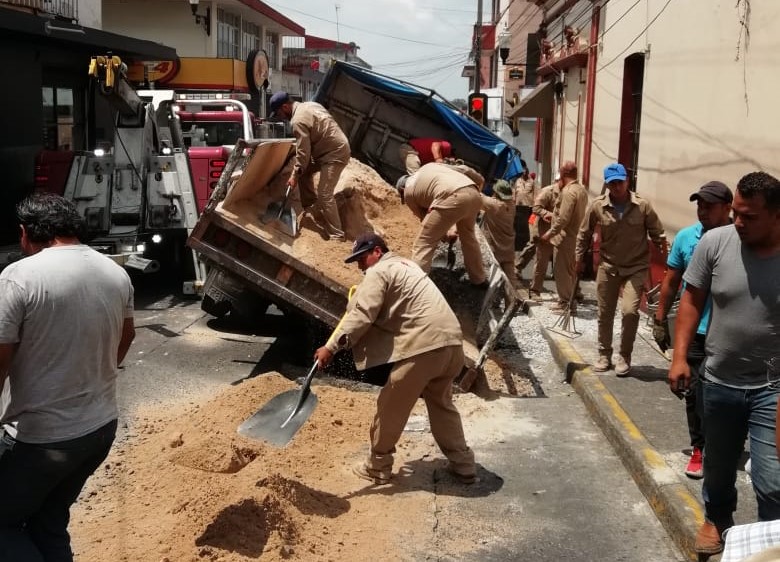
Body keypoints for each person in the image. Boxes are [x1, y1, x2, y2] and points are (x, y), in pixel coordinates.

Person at [0, 193, 135, 561]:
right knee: (49, 519)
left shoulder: (20, 276)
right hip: (99, 431)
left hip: (41, 439)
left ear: (25, 233)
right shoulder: (115, 272)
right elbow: (127, 336)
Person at [668, 171, 780, 555]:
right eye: (736, 212)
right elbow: (691, 300)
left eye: (749, 216)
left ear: (777, 216)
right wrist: (680, 357)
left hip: (774, 387)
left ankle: (773, 541)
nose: (738, 222)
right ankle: (717, 519)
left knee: (773, 477)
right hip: (718, 380)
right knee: (717, 464)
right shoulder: (715, 243)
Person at [313, 233, 477, 485]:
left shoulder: (379, 271)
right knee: (441, 404)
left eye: (362, 258)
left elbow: (362, 314)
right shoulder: (407, 265)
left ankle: (377, 466)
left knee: (390, 406)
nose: (359, 265)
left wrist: (331, 347)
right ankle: (464, 465)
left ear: (377, 252)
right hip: (452, 345)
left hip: (424, 347)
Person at [654, 181, 733, 480]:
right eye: (699, 205)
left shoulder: (740, 239)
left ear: (728, 208)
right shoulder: (687, 238)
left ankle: (723, 442)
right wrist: (660, 319)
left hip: (728, 333)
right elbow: (672, 280)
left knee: (727, 393)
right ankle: (700, 447)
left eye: (709, 206)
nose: (702, 211)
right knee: (695, 393)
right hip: (696, 330)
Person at [576, 163, 666, 375]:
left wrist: (667, 257)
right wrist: (578, 258)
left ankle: (625, 355)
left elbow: (657, 233)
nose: (617, 187)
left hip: (636, 267)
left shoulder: (642, 206)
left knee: (630, 311)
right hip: (608, 266)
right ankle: (604, 353)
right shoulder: (598, 206)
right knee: (605, 313)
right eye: (613, 183)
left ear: (627, 181)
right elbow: (584, 234)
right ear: (607, 184)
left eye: (620, 182)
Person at [268, 91, 351, 241]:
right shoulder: (310, 104)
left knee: (324, 194)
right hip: (327, 149)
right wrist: (299, 172)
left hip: (334, 153)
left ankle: (337, 235)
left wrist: (294, 176)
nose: (280, 117)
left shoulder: (297, 121)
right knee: (304, 173)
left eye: (279, 113)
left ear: (285, 107)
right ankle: (312, 208)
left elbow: (303, 154)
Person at [395, 162, 487, 287]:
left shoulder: (408, 192)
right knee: (469, 238)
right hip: (474, 194)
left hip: (451, 196)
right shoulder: (430, 166)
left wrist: (444, 235)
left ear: (402, 189)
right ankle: (479, 280)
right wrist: (480, 181)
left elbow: (426, 222)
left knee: (424, 242)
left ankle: (415, 287)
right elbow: (464, 169)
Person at [540, 161, 588, 314]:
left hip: (565, 238)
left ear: (563, 174)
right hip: (576, 237)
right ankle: (568, 301)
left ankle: (566, 303)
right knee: (570, 271)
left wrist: (549, 233)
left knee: (561, 271)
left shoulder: (568, 192)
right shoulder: (581, 190)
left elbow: (563, 218)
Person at [516, 173, 561, 300]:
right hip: (543, 230)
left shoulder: (568, 194)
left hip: (560, 232)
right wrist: (547, 214)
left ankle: (569, 292)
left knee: (564, 263)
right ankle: (535, 290)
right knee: (541, 261)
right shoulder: (547, 191)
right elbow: (536, 208)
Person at [481, 179, 518, 287]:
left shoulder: (493, 204)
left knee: (492, 279)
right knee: (511, 279)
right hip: (508, 248)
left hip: (494, 249)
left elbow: (476, 195)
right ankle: (513, 300)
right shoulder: (512, 205)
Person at [513, 166, 537, 257]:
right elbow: (514, 192)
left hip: (528, 207)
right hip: (519, 207)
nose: (524, 174)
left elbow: (535, 194)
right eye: (523, 172)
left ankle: (526, 245)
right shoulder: (517, 181)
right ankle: (518, 246)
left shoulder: (532, 182)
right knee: (518, 227)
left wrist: (534, 206)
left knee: (527, 227)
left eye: (525, 172)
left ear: (528, 172)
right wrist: (513, 202)